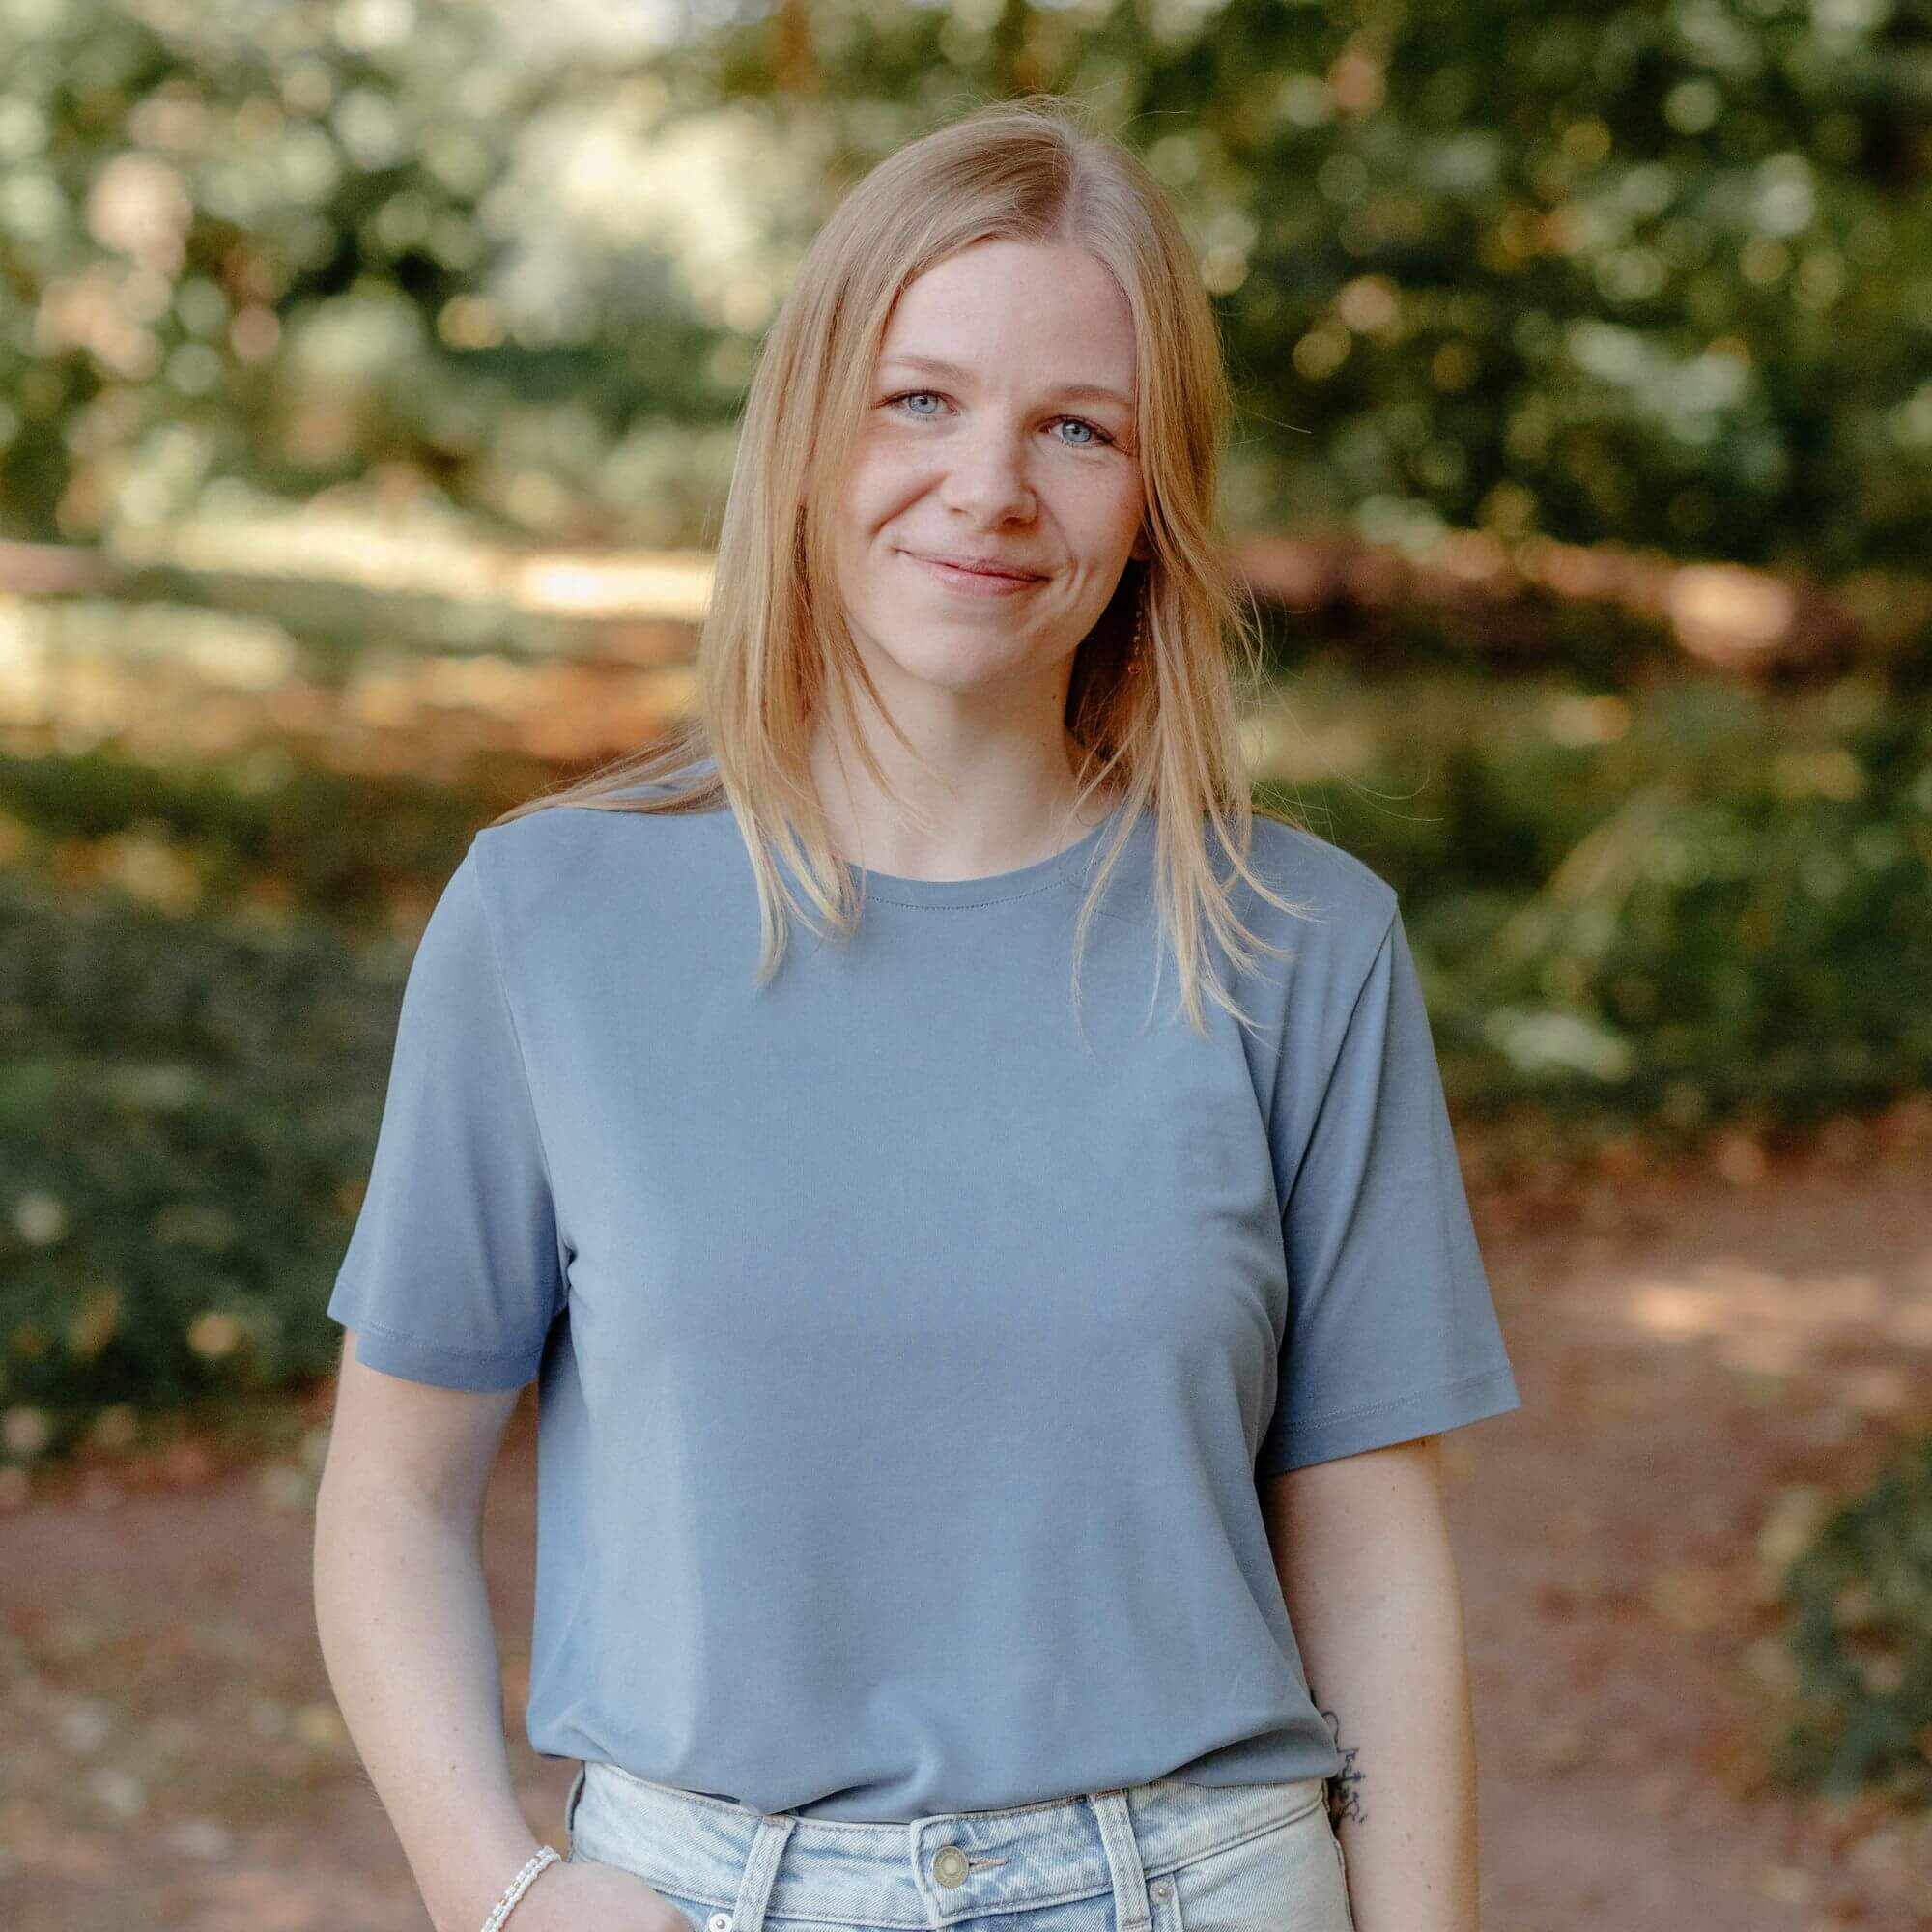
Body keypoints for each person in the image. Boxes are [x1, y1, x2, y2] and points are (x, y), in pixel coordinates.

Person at [312, 94, 1522, 1932]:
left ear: (1155, 495)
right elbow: (391, 1499)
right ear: (810, 433)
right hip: (700, 1893)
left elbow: (1370, 1557)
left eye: (1078, 429)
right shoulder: (547, 919)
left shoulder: (1300, 946)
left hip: (1201, 1887)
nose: (991, 488)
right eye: (923, 399)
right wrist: (506, 1891)